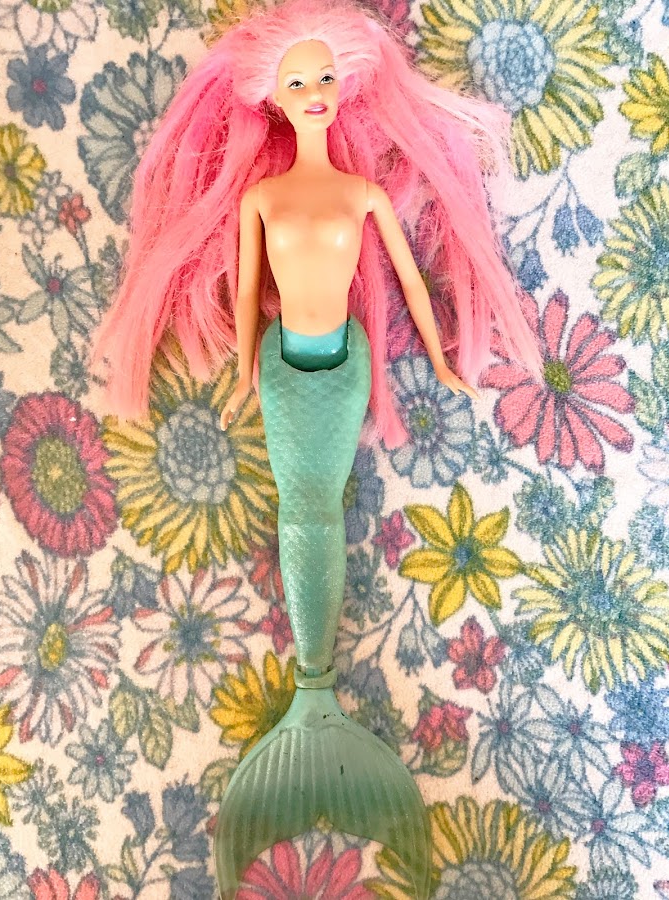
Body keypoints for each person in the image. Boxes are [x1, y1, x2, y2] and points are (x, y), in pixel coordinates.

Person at [90, 2, 542, 896]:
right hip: (283, 368)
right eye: (297, 81)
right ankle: (312, 688)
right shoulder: (259, 200)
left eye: (326, 77)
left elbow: (408, 280)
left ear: (347, 86)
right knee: (301, 508)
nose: (315, 93)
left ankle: (317, 686)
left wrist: (446, 359)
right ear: (270, 95)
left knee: (317, 507)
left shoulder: (362, 195)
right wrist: (245, 369)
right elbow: (249, 291)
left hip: (343, 365)